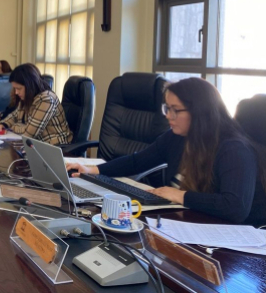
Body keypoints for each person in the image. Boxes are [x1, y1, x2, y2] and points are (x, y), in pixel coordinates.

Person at [67, 77, 266, 226]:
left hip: (230, 237)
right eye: (167, 108)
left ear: (199, 112)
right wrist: (94, 170)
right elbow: (138, 161)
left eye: (175, 110)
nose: (168, 116)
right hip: (189, 220)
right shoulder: (177, 137)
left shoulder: (234, 149)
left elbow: (235, 207)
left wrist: (181, 196)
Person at [0, 63, 72, 145]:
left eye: (19, 88)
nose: (16, 92)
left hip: (55, 146)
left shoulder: (46, 100)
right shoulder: (28, 96)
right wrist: (3, 124)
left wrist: (12, 127)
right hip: (39, 144)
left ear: (29, 85)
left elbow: (29, 133)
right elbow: (15, 115)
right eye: (15, 88)